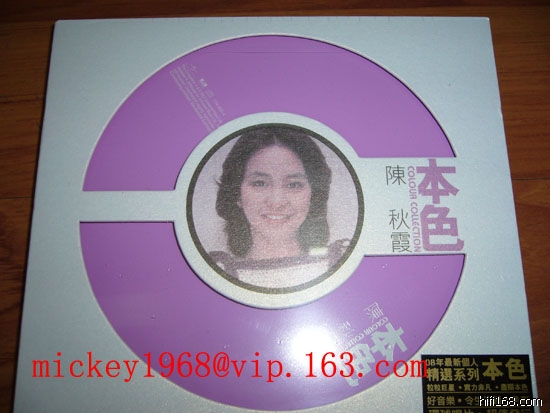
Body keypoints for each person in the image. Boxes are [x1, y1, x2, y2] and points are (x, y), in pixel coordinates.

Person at [210, 124, 349, 289]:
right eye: (260, 183)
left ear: (313, 194)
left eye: (293, 185)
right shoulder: (214, 271)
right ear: (236, 193)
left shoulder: (345, 260)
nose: (276, 202)